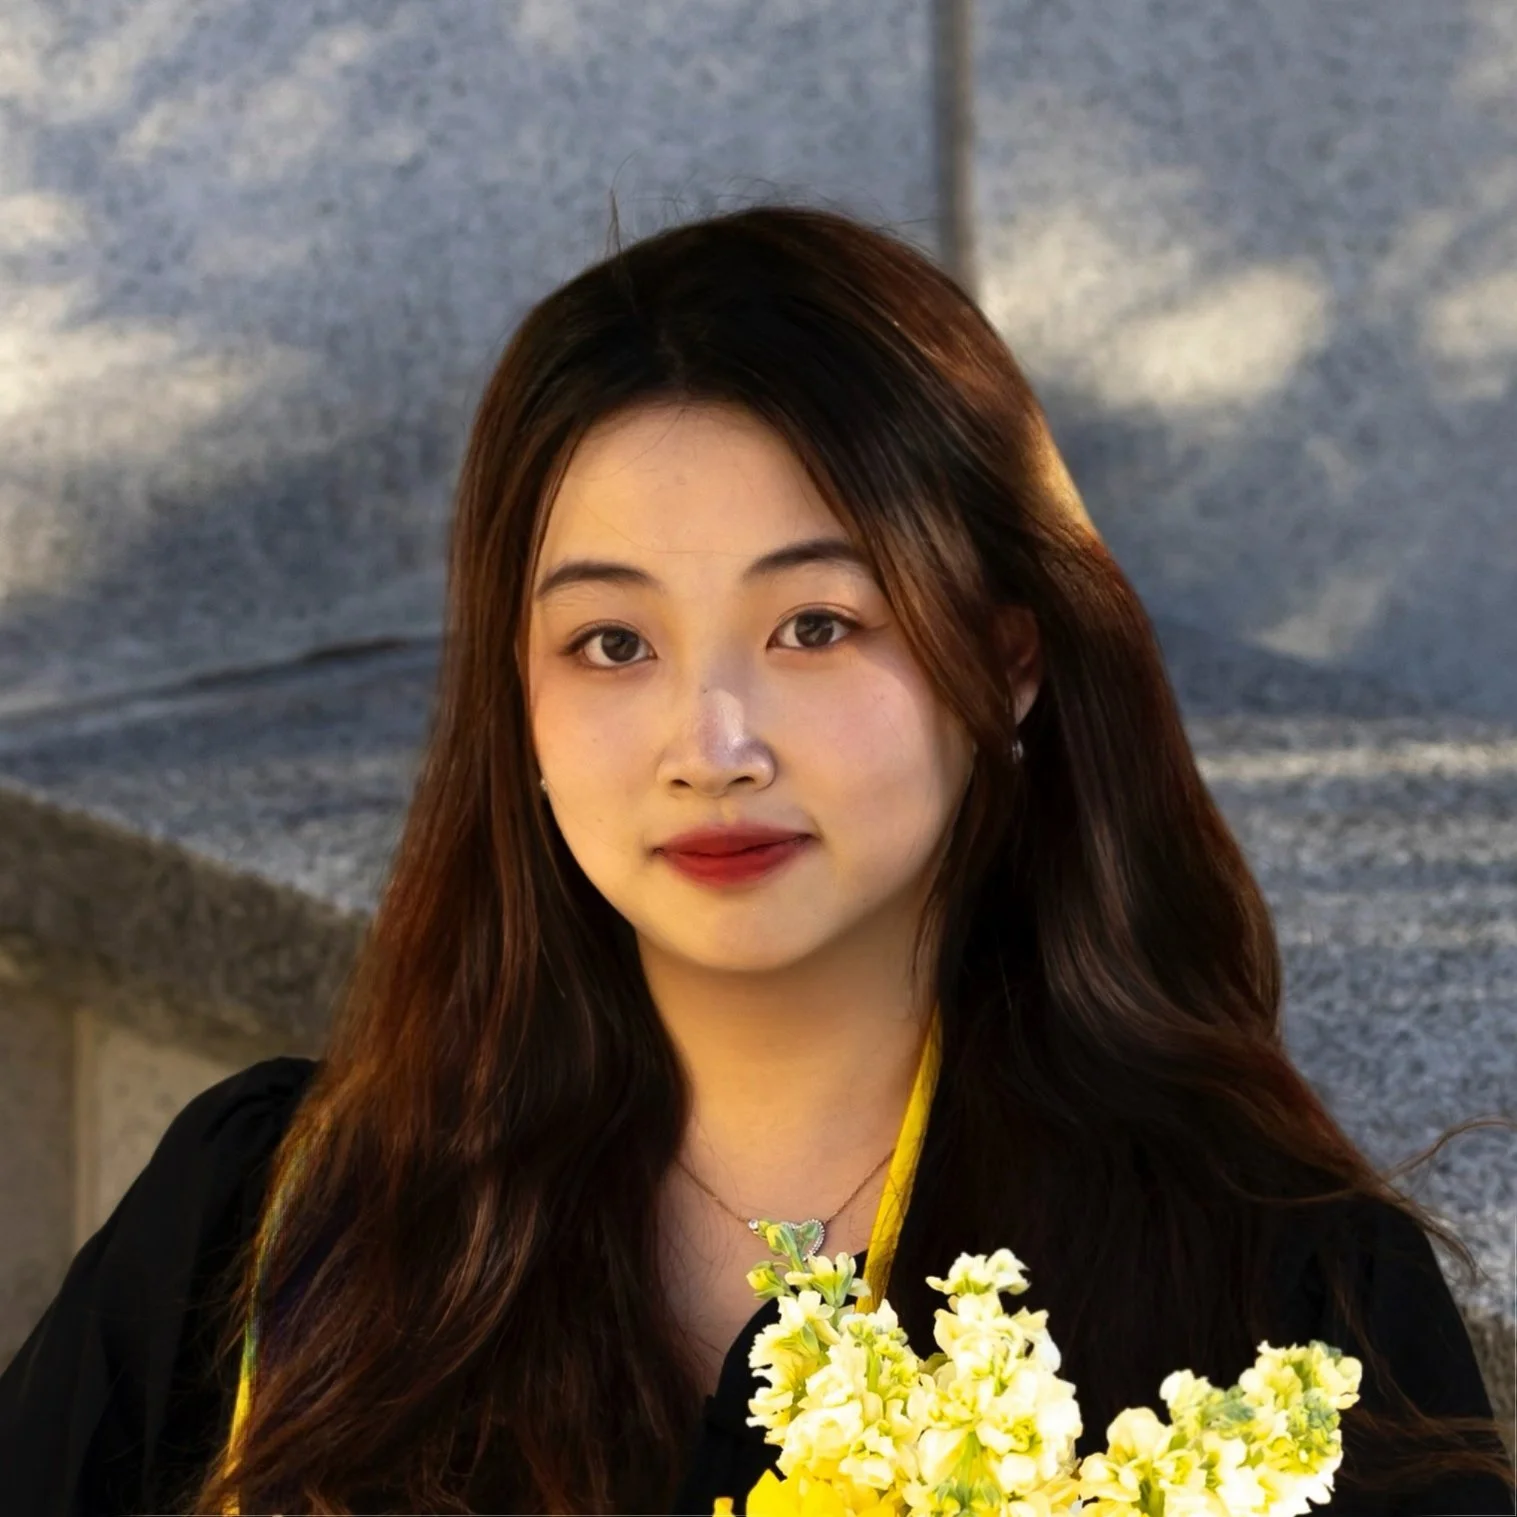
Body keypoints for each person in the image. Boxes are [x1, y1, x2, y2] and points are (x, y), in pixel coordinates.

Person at [0, 203, 1511, 1516]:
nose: (710, 744)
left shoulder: (1270, 1307)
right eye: (611, 642)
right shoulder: (283, 1228)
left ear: (1006, 663)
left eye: (815, 626)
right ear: (516, 701)